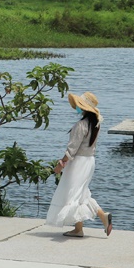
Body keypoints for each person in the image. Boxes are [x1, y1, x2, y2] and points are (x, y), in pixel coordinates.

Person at [46, 91, 113, 237]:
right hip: (89, 161)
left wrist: (61, 164)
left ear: (83, 108)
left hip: (78, 163)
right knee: (81, 193)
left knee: (73, 194)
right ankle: (101, 217)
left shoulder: (81, 125)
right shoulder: (96, 124)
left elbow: (72, 150)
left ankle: (78, 229)